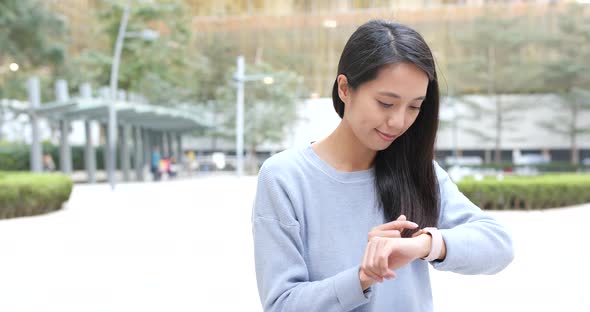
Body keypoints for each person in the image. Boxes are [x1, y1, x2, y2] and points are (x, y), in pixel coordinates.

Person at [251, 20, 514, 312]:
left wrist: (423, 245)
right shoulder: (285, 178)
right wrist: (363, 277)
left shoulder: (416, 170)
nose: (399, 122)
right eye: (386, 103)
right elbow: (281, 304)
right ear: (345, 89)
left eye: (414, 106)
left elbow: (498, 244)